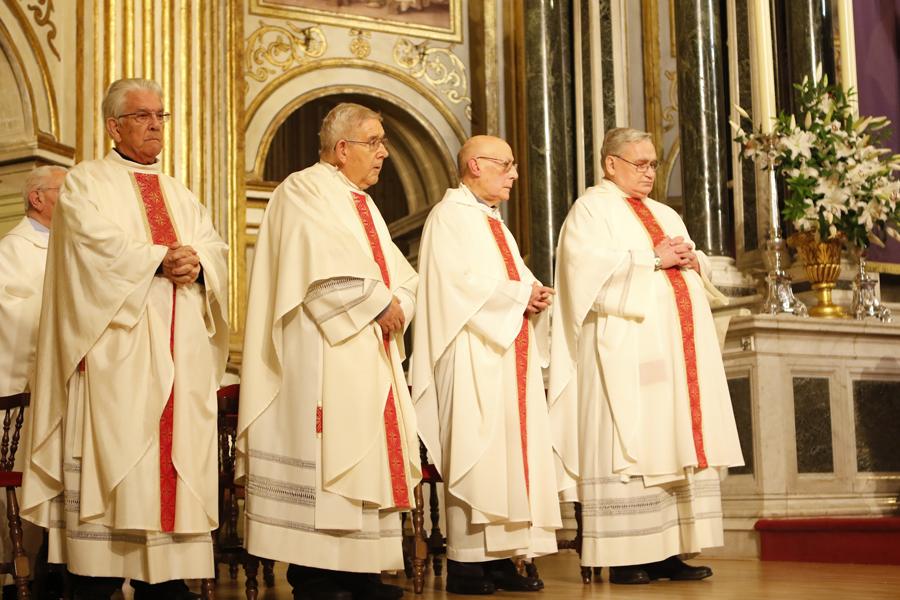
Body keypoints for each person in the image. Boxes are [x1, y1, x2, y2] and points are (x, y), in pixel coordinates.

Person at [20, 78, 230, 600]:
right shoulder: (87, 183)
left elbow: (212, 244)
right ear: (113, 125)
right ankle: (100, 574)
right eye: (141, 115)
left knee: (170, 468)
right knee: (120, 467)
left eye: (161, 114)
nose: (155, 123)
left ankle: (167, 578)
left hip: (180, 357)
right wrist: (158, 257)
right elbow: (91, 247)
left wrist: (199, 263)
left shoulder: (180, 192)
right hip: (118, 357)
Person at [237, 102, 419, 600]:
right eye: (374, 142)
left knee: (362, 455)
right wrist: (378, 301)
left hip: (366, 350)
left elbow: (401, 274)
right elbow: (317, 264)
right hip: (324, 351)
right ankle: (317, 576)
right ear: (342, 149)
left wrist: (396, 299)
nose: (383, 153)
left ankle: (360, 574)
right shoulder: (304, 190)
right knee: (329, 455)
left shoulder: (364, 204)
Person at [548, 127, 744, 584]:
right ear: (610, 164)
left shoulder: (665, 213)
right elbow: (583, 274)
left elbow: (692, 260)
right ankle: (627, 556)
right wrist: (651, 259)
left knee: (673, 440)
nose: (649, 172)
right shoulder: (590, 209)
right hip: (626, 354)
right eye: (640, 164)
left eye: (654, 164)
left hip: (676, 356)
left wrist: (697, 262)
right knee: (634, 442)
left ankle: (670, 551)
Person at [410, 135, 561, 595]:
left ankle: (501, 561)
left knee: (510, 461)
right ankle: (467, 565)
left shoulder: (493, 222)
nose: (515, 174)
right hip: (471, 353)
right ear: (475, 165)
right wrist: (519, 295)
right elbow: (454, 284)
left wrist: (532, 292)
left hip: (506, 352)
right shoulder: (449, 217)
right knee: (478, 456)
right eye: (507, 164)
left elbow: (509, 277)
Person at [0, 165, 67, 600]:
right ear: (37, 199)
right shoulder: (12, 250)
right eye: (66, 191)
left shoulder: (74, 247)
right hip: (22, 400)